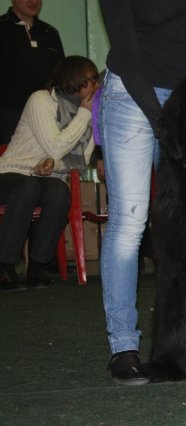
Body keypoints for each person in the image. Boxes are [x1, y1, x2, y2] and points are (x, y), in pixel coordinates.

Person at [98, 0, 186, 386]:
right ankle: (123, 346)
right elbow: (126, 51)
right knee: (130, 221)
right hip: (132, 94)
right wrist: (164, 123)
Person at [0, 55, 98, 291]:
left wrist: (53, 166)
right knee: (28, 186)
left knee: (59, 192)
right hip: (11, 172)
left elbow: (80, 162)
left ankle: (39, 266)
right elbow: (55, 147)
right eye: (91, 79)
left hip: (47, 178)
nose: (96, 86)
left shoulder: (91, 113)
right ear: (73, 79)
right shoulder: (41, 100)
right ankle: (4, 267)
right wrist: (84, 115)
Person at [0, 0, 65, 146]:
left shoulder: (51, 34)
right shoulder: (2, 28)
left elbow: (61, 81)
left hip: (45, 121)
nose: (33, 1)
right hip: (7, 121)